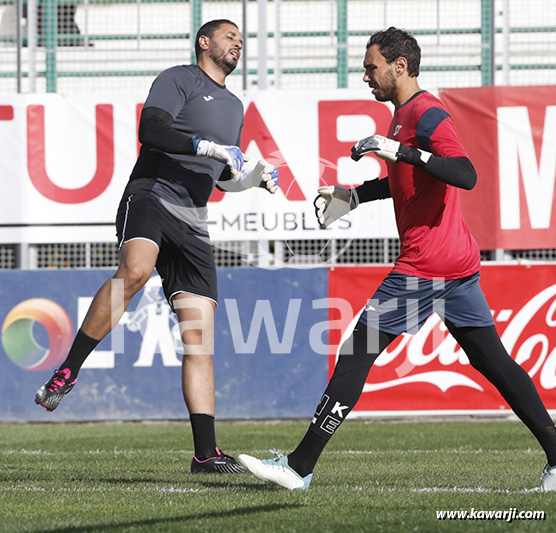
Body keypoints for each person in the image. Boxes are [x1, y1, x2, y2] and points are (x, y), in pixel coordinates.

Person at [237, 27, 556, 491]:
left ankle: (299, 467)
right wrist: (357, 196)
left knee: (355, 353)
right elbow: (410, 180)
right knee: (495, 363)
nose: (366, 76)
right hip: (457, 266)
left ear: (399, 66)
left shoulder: (426, 112)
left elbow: (464, 174)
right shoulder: (402, 115)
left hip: (426, 266)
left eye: (371, 67)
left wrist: (402, 149)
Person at [35, 19, 279, 475]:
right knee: (136, 271)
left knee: (199, 337)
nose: (238, 44)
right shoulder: (179, 78)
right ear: (204, 42)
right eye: (230, 37)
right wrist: (209, 147)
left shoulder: (234, 104)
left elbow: (222, 174)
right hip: (152, 193)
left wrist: (251, 178)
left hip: (194, 219)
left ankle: (205, 455)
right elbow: (152, 129)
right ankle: (69, 369)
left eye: (241, 41)